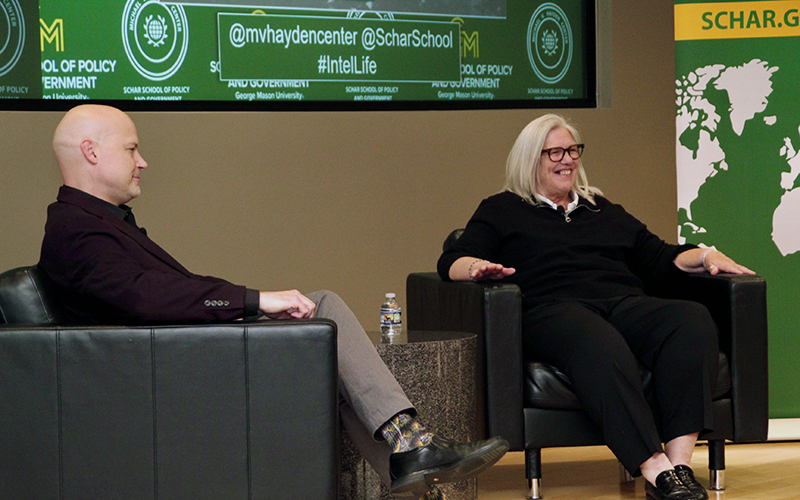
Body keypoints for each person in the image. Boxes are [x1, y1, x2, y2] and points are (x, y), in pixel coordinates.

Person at [38, 104, 508, 500]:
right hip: (166, 383)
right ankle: (412, 447)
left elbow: (157, 294)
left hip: (176, 362)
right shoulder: (75, 229)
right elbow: (146, 298)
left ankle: (412, 457)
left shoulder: (96, 223)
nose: (143, 162)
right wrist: (255, 301)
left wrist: (256, 305)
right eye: (132, 148)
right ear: (91, 152)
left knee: (321, 336)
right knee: (321, 309)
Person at [437, 114, 754, 500]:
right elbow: (451, 260)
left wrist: (705, 256)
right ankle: (653, 468)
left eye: (572, 150)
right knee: (595, 339)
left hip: (620, 301)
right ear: (529, 159)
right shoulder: (502, 209)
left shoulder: (600, 209)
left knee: (689, 320)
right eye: (554, 152)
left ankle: (680, 467)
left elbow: (658, 257)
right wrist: (476, 268)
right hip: (551, 310)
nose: (567, 159)